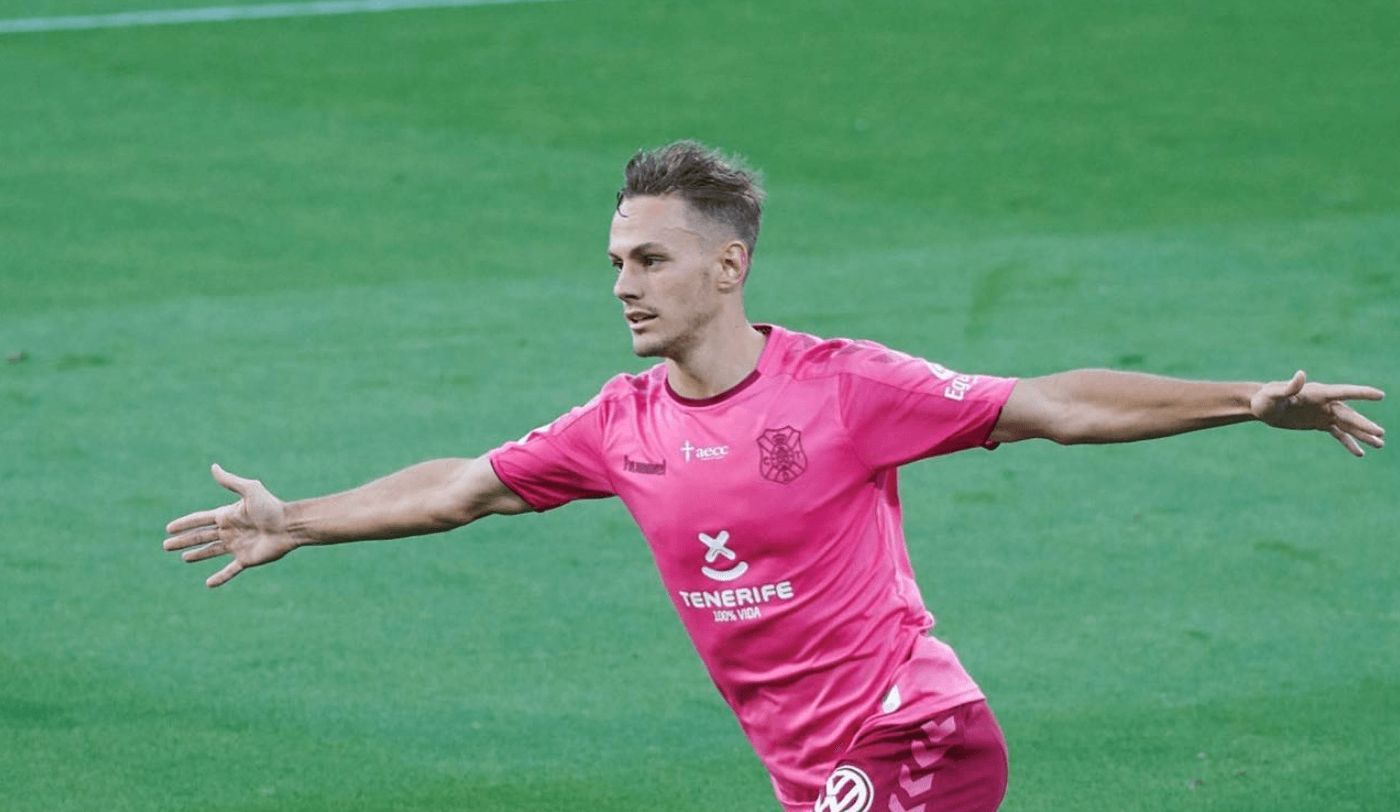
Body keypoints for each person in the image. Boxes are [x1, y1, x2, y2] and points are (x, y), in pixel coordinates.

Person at [163, 141, 1386, 812]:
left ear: (728, 264)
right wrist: (300, 520)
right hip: (809, 767)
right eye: (612, 260)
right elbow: (463, 485)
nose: (622, 284)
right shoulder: (619, 421)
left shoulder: (843, 386)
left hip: (915, 736)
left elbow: (1048, 402)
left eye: (649, 258)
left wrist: (1241, 401)